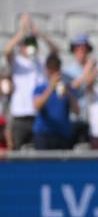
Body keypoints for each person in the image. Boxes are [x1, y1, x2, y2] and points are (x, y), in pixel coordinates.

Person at [3, 13, 58, 149]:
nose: (29, 47)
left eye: (31, 43)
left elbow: (55, 51)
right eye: (26, 44)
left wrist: (39, 34)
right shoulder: (17, 62)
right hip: (20, 116)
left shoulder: (41, 61)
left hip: (40, 116)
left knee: (40, 156)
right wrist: (22, 32)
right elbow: (7, 50)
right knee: (16, 154)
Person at [33, 54, 78, 149]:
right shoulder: (40, 88)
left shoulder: (68, 88)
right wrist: (50, 89)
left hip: (63, 134)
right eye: (51, 69)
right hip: (43, 134)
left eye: (56, 69)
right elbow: (37, 106)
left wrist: (68, 94)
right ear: (46, 70)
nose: (53, 72)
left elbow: (77, 111)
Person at [63, 34, 95, 144]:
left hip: (91, 118)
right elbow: (73, 87)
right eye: (78, 48)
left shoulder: (93, 69)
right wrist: (87, 71)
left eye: (84, 49)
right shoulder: (67, 70)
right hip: (73, 119)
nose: (82, 51)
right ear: (74, 50)